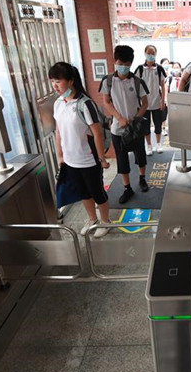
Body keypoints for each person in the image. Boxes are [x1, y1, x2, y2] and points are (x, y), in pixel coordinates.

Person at [50, 62, 110, 238]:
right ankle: (92, 219)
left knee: (97, 192)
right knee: (83, 193)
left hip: (88, 159)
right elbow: (58, 131)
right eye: (52, 81)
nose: (55, 86)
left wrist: (102, 159)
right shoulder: (58, 104)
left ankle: (105, 221)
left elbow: (97, 134)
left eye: (58, 81)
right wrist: (60, 155)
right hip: (70, 160)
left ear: (70, 81)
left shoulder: (85, 104)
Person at [101, 45, 150, 204]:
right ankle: (127, 188)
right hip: (117, 129)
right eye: (120, 63)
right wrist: (119, 118)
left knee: (140, 154)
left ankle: (142, 178)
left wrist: (136, 118)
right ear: (115, 61)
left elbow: (145, 103)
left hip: (135, 128)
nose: (123, 67)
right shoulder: (108, 81)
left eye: (127, 64)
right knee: (122, 159)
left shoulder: (137, 82)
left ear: (131, 64)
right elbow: (106, 102)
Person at [135, 45, 167, 156]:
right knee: (146, 126)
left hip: (157, 102)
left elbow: (163, 86)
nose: (150, 55)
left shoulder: (159, 68)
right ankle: (148, 145)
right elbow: (135, 85)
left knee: (158, 124)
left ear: (156, 54)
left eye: (153, 53)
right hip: (144, 104)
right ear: (145, 54)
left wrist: (163, 100)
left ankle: (158, 143)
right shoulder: (140, 69)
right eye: (148, 53)